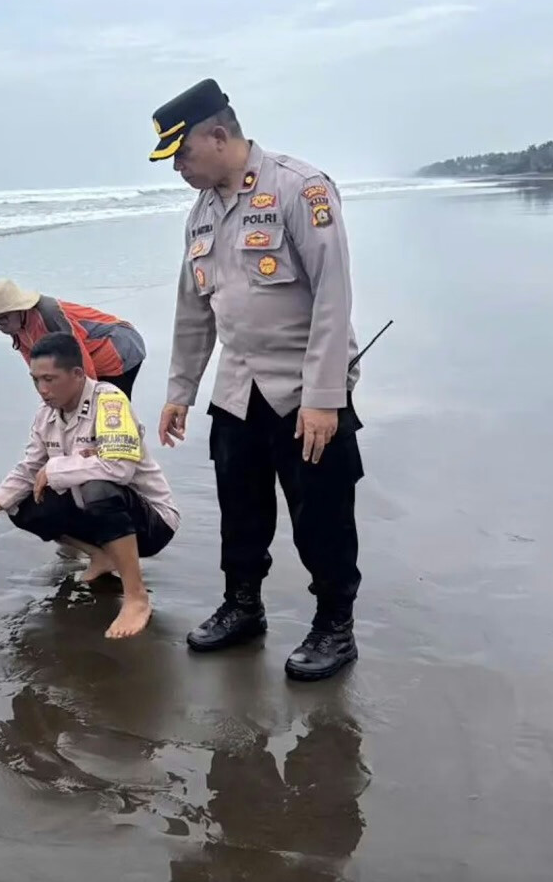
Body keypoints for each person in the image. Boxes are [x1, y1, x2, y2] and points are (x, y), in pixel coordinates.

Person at [149, 78, 365, 682]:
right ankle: (243, 605)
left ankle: (334, 626)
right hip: (238, 390)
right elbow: (195, 310)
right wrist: (180, 392)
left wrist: (325, 399)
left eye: (182, 154)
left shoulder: (301, 189)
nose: (179, 169)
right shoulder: (202, 213)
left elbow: (333, 297)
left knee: (321, 516)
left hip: (305, 392)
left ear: (219, 135)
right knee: (239, 509)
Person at [0, 331, 179, 639]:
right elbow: (25, 472)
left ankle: (136, 597)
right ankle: (100, 554)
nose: (42, 389)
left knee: (97, 488)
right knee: (20, 505)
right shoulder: (46, 414)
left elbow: (120, 470)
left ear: (77, 374)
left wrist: (56, 467)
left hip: (151, 523)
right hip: (99, 516)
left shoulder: (110, 403)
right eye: (35, 380)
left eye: (50, 379)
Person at [0, 278, 147, 398]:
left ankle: (128, 446)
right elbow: (37, 369)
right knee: (72, 403)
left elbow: (79, 358)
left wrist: (89, 401)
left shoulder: (49, 314)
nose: (0, 327)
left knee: (108, 408)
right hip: (91, 351)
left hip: (118, 343)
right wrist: (49, 398)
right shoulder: (15, 327)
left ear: (18, 309)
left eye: (2, 319)